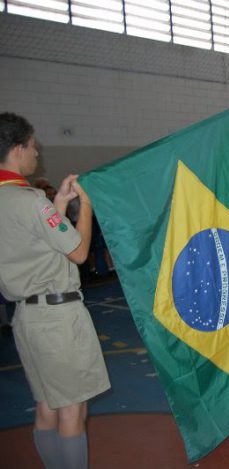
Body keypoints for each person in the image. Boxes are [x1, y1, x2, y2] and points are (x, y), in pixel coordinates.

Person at [0, 112, 110, 469]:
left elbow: (37, 240)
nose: (36, 154)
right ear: (17, 149)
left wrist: (59, 203)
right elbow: (78, 252)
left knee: (47, 405)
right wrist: (86, 205)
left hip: (27, 317)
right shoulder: (29, 200)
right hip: (57, 320)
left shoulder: (13, 200)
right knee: (72, 410)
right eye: (32, 147)